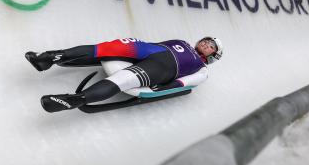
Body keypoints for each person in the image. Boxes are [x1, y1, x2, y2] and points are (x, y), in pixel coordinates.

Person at [25, 37, 223, 112]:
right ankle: (49, 57)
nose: (206, 44)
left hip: (162, 69)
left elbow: (183, 83)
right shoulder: (182, 41)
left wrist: (158, 90)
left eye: (211, 46)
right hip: (149, 50)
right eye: (206, 41)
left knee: (125, 79)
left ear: (212, 55)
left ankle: (75, 99)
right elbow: (157, 44)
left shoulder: (202, 70)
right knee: (106, 47)